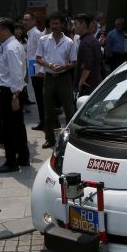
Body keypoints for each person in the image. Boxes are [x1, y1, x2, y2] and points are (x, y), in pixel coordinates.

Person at [0, 17, 29, 173]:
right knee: (18, 126)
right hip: (12, 90)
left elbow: (16, 73)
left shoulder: (10, 48)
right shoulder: (13, 45)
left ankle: (11, 162)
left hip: (10, 92)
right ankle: (23, 157)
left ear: (6, 30)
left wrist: (15, 95)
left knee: (8, 128)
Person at [36, 12, 77, 150]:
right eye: (52, 23)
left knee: (69, 109)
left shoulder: (70, 42)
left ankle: (71, 138)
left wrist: (64, 66)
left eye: (57, 23)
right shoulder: (43, 40)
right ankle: (50, 139)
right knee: (48, 110)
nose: (54, 26)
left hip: (64, 78)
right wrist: (48, 65)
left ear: (63, 24)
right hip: (49, 78)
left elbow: (74, 62)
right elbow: (38, 58)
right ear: (49, 25)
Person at [23, 12, 46, 132]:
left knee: (41, 97)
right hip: (33, 66)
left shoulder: (36, 34)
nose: (25, 22)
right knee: (38, 96)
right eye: (24, 20)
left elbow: (42, 52)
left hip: (37, 67)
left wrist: (41, 70)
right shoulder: (30, 34)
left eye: (27, 20)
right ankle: (43, 121)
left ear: (33, 21)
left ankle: (44, 122)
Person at [74, 13, 104, 96]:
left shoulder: (86, 42)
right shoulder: (93, 40)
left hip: (88, 84)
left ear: (83, 25)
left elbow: (88, 64)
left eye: (76, 24)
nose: (74, 27)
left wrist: (81, 81)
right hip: (96, 82)